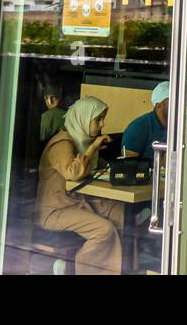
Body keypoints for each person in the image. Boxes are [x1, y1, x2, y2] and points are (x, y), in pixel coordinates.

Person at [36, 97, 124, 275]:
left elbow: (92, 168)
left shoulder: (78, 141)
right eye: (98, 119)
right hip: (56, 210)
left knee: (118, 211)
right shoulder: (62, 143)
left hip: (75, 202)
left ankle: (118, 269)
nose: (102, 124)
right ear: (83, 118)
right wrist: (92, 148)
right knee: (104, 230)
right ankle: (83, 269)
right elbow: (73, 172)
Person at [120, 82, 169, 158]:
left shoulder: (180, 125)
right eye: (173, 101)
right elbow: (129, 165)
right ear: (159, 106)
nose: (178, 105)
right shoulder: (138, 128)